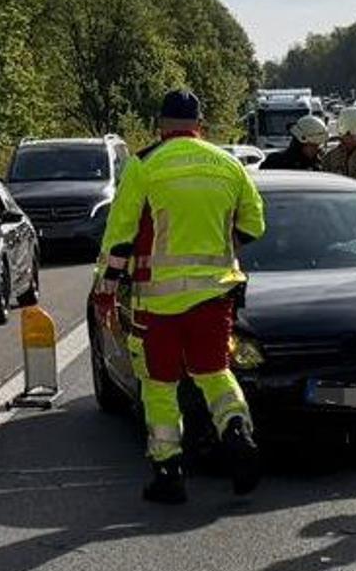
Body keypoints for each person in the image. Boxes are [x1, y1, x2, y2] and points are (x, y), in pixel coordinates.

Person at [94, 89, 266, 504]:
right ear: (200, 125)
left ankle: (168, 471)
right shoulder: (229, 165)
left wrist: (106, 291)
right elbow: (255, 224)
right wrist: (222, 247)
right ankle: (237, 430)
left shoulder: (145, 164)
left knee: (159, 385)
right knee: (214, 372)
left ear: (161, 125)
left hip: (157, 302)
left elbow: (120, 238)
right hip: (214, 295)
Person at [261, 114, 328, 170]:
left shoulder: (319, 166)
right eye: (313, 145)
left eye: (318, 145)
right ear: (300, 143)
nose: (317, 149)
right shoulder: (275, 163)